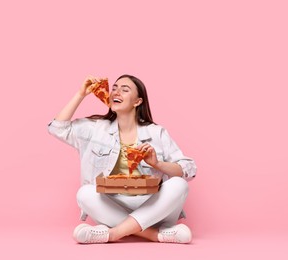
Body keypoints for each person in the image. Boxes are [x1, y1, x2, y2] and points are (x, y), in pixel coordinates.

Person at [48, 74, 197, 244]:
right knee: (85, 193)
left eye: (125, 90)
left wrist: (157, 164)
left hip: (152, 205)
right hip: (113, 205)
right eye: (114, 88)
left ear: (137, 101)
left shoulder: (156, 132)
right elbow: (57, 128)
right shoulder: (96, 129)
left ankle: (112, 233)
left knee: (179, 185)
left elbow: (188, 169)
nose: (116, 92)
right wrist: (81, 94)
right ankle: (155, 235)